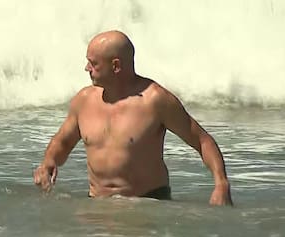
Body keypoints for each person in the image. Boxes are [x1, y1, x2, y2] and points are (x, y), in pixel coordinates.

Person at [34, 30, 232, 205]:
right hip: (98, 205)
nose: (87, 68)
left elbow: (201, 140)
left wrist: (221, 183)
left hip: (147, 204)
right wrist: (48, 162)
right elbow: (63, 141)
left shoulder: (155, 100)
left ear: (116, 66)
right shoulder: (84, 101)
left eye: (93, 63)